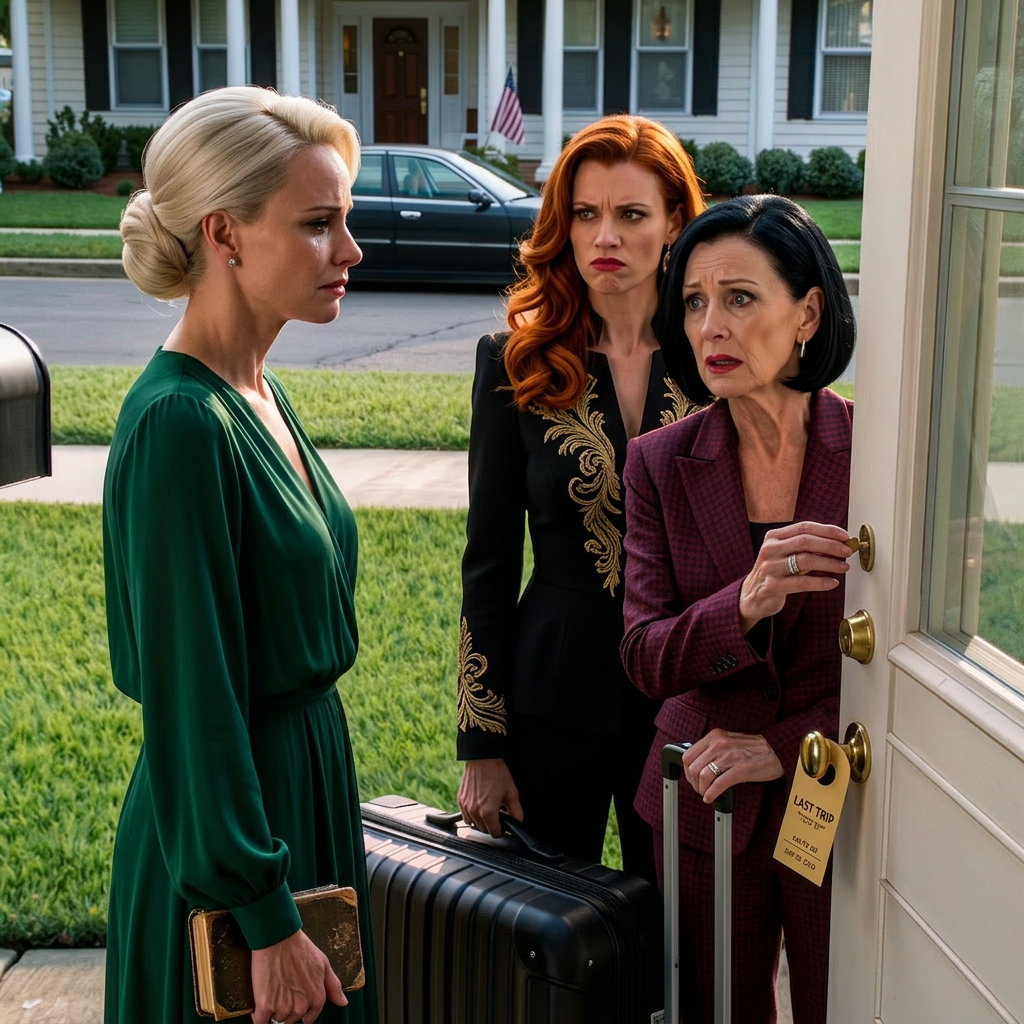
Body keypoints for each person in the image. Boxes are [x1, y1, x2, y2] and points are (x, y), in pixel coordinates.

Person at [103, 87, 377, 1024]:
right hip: (236, 846)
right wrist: (262, 914)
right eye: (318, 224)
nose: (350, 250)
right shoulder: (181, 424)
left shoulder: (256, 391)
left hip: (301, 793)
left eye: (344, 220)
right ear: (224, 234)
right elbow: (194, 701)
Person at [620, 194, 857, 1022]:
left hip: (839, 802)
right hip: (704, 807)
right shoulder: (657, 462)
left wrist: (782, 748)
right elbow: (644, 654)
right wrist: (744, 603)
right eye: (694, 302)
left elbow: (904, 664)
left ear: (808, 314)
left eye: (740, 298)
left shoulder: (876, 458)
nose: (710, 326)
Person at [455, 115, 704, 883]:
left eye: (631, 214)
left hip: (687, 698)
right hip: (551, 699)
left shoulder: (714, 359)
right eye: (586, 213)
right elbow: (488, 563)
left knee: (682, 929)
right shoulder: (515, 363)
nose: (606, 237)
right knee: (551, 935)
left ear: (674, 224)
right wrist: (481, 743)